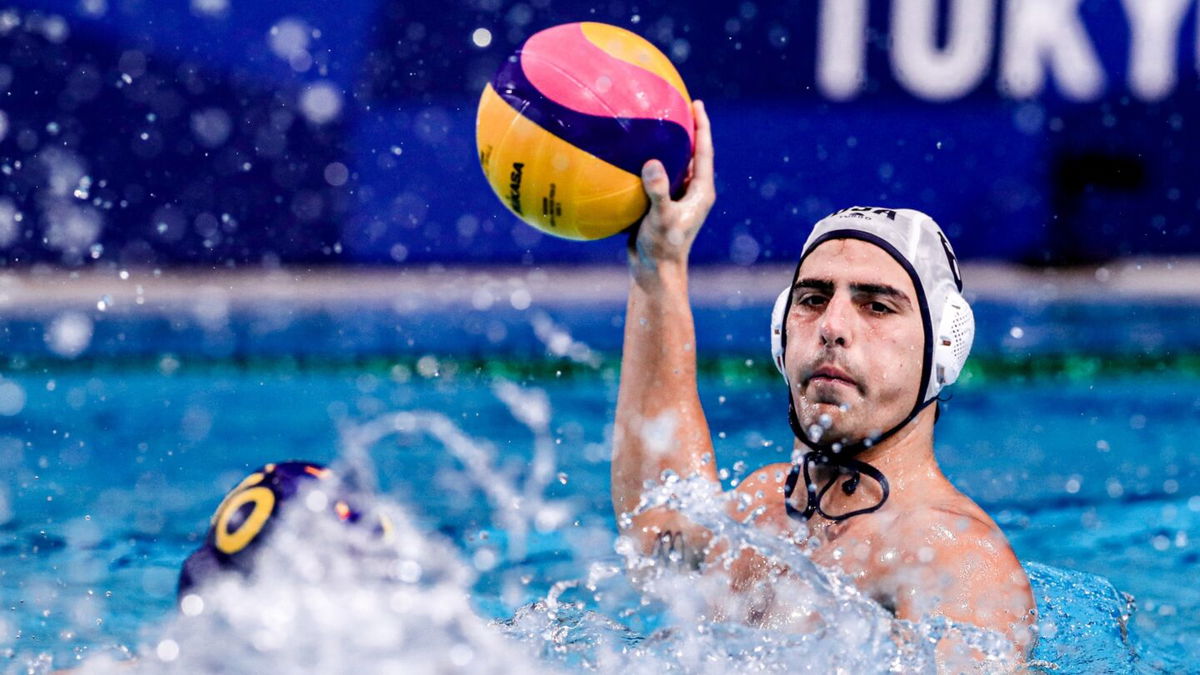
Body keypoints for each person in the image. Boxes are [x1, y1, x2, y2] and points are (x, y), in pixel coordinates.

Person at [611, 100, 1036, 663]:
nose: (833, 326)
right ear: (780, 335)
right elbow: (653, 531)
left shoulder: (952, 557)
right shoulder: (765, 504)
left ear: (944, 349)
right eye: (813, 300)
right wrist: (659, 264)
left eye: (878, 307)